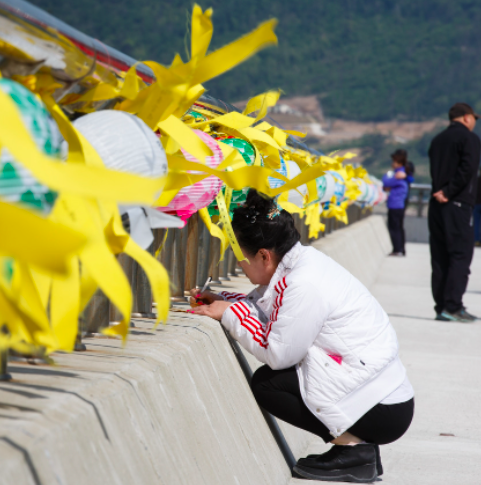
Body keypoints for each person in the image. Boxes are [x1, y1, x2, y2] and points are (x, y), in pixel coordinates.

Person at [188, 190, 414, 483]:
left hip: (381, 406)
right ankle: (355, 451)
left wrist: (230, 313)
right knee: (275, 379)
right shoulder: (302, 264)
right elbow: (277, 311)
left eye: (239, 258)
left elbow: (279, 353)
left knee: (268, 385)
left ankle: (355, 452)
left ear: (263, 255)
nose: (239, 266)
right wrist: (227, 302)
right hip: (381, 392)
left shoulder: (303, 282)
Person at [427, 102, 481, 322]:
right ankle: (453, 306)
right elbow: (468, 169)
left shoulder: (438, 139)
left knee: (439, 257)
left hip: (436, 205)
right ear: (467, 118)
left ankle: (441, 306)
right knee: (460, 255)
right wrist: (449, 192)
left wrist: (441, 192)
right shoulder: (469, 139)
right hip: (457, 204)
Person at [382, 150, 410, 256]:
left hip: (395, 205)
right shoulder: (404, 172)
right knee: (399, 227)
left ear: (398, 162)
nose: (392, 163)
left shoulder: (398, 173)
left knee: (394, 228)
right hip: (399, 205)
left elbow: (386, 182)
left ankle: (397, 249)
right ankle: (400, 249)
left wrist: (386, 175)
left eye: (393, 161)